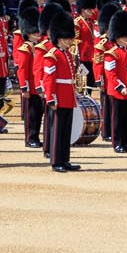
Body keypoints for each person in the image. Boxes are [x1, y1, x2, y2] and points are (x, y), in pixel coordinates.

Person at [43, 12, 82, 172]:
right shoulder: (52, 55)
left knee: (66, 131)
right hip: (58, 97)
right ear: (59, 37)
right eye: (67, 38)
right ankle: (56, 161)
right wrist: (51, 98)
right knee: (58, 130)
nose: (69, 40)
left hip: (67, 96)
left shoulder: (66, 54)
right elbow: (49, 79)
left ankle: (64, 159)